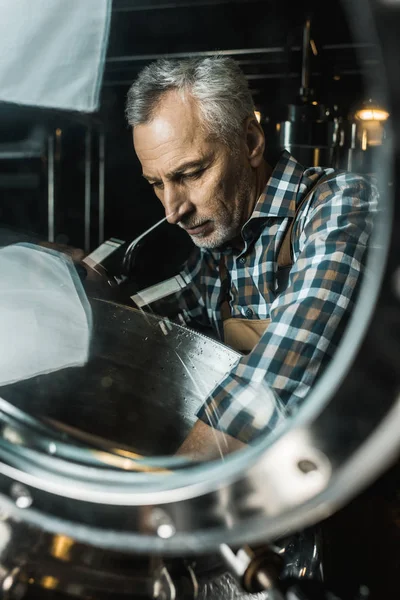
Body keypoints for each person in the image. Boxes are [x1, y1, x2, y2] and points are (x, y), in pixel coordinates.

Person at [125, 56, 378, 460]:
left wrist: (165, 493)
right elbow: (163, 319)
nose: (172, 211)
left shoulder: (340, 205)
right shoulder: (221, 243)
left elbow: (281, 369)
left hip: (354, 500)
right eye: (157, 184)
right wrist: (93, 299)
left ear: (250, 143)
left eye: (190, 174)